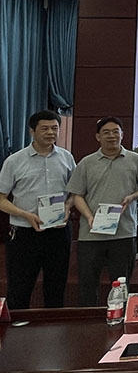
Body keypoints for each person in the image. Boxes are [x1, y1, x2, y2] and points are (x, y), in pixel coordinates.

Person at [66, 116, 138, 306]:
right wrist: (89, 217)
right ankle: (89, 319)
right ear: (98, 137)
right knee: (88, 283)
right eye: (106, 132)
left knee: (121, 283)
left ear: (122, 134)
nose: (111, 136)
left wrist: (132, 197)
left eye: (115, 132)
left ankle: (119, 318)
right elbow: (77, 195)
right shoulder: (87, 162)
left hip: (124, 232)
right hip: (91, 233)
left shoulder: (135, 160)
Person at [0, 110, 75, 309]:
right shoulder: (14, 161)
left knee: (56, 286)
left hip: (58, 232)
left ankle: (54, 326)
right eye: (45, 128)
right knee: (20, 287)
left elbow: (75, 192)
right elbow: (1, 199)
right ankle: (17, 326)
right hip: (25, 233)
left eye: (55, 128)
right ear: (32, 131)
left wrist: (67, 208)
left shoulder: (66, 158)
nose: (51, 133)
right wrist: (25, 215)